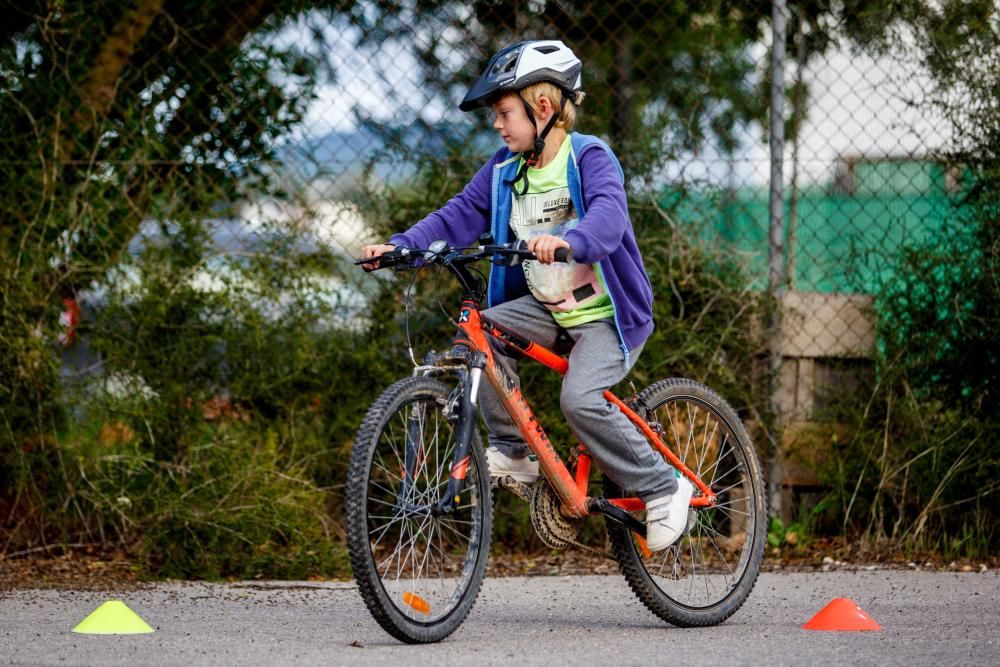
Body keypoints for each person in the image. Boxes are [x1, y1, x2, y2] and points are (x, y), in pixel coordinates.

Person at [361, 40, 692, 551]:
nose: (497, 124)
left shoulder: (588, 158)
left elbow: (608, 218)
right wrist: (401, 247)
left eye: (504, 112)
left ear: (543, 108)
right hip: (546, 309)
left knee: (580, 400)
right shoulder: (504, 171)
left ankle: (662, 487)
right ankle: (514, 451)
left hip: (605, 315)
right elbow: (457, 215)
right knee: (479, 337)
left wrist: (570, 241)